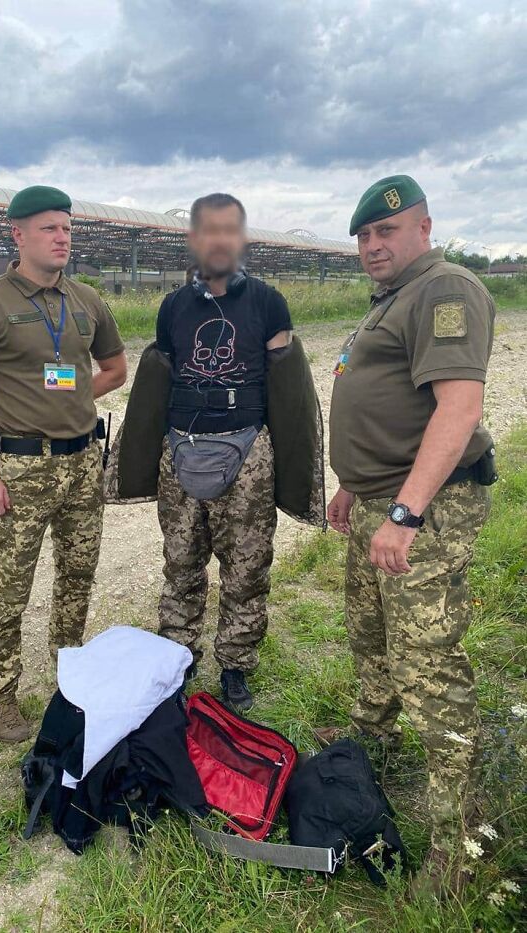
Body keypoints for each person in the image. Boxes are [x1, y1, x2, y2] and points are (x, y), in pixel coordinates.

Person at [323, 175, 496, 893]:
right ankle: (374, 734)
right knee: (370, 634)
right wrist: (354, 485)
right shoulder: (388, 303)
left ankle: (463, 845)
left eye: (385, 232)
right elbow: (385, 403)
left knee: (427, 663)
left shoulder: (443, 289)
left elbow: (457, 408)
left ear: (423, 228)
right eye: (363, 236)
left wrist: (405, 512)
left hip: (421, 508)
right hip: (375, 499)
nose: (372, 246)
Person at [0, 185, 127, 743]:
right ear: (18, 235)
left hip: (82, 463)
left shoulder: (88, 300)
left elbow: (115, 370)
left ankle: (69, 684)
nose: (62, 236)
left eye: (67, 227)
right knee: (11, 587)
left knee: (77, 579)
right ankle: (2, 698)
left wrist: (70, 400)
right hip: (21, 468)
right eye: (49, 228)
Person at [154, 193, 293, 711]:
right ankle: (177, 662)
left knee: (247, 567)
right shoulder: (172, 306)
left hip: (248, 452)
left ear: (242, 238)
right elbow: (161, 380)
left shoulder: (267, 302)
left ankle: (236, 665)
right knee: (181, 564)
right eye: (209, 230)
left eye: (229, 230)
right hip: (182, 449)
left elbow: (286, 387)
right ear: (194, 239)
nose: (219, 240)